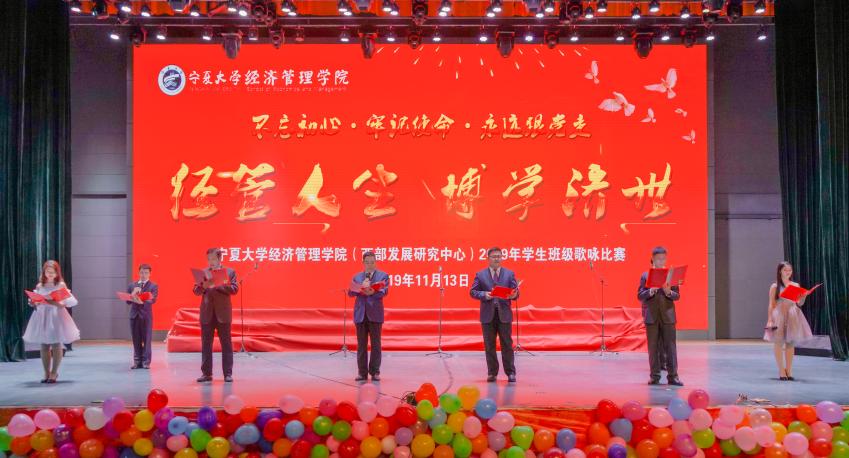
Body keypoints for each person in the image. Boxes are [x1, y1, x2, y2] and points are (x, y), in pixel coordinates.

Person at [23, 260, 80, 384]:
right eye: (47, 272)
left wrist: (52, 301)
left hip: (55, 316)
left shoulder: (60, 285)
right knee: (44, 345)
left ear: (57, 273)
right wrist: (33, 302)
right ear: (44, 272)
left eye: (52, 272)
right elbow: (36, 302)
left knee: (56, 344)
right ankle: (46, 372)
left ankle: (54, 372)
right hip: (42, 315)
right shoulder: (40, 286)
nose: (50, 274)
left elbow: (65, 304)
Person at [470, 247, 519, 383]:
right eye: (494, 256)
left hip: (504, 314)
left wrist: (514, 295)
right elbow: (473, 292)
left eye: (499, 256)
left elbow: (515, 292)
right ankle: (492, 373)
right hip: (488, 315)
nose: (497, 259)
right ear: (488, 258)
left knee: (507, 344)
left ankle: (511, 373)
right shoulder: (480, 275)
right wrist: (484, 294)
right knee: (489, 345)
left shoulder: (509, 274)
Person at [638, 246, 683, 386]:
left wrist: (669, 292)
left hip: (668, 316)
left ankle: (673, 377)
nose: (661, 261)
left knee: (671, 347)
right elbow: (640, 295)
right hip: (651, 316)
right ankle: (655, 376)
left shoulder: (671, 275)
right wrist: (650, 291)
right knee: (653, 348)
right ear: (653, 259)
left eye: (663, 259)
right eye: (658, 259)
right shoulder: (645, 275)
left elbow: (677, 296)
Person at [192, 247, 238, 383]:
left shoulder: (229, 272)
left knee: (226, 344)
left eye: (213, 259)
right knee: (206, 344)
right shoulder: (204, 272)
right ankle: (206, 373)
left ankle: (227, 374)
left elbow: (235, 289)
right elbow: (196, 291)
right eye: (208, 259)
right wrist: (203, 286)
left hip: (223, 313)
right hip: (207, 313)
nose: (210, 262)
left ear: (219, 258)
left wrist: (219, 285)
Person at [764, 261, 813, 381]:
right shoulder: (775, 286)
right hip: (779, 314)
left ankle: (789, 370)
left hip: (792, 314)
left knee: (790, 343)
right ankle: (781, 370)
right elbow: (771, 304)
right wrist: (770, 320)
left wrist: (804, 296)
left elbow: (799, 303)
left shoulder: (795, 285)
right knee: (778, 342)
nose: (788, 272)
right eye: (785, 270)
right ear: (780, 271)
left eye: (790, 270)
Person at [348, 251, 389, 382]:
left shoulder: (383, 276)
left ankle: (375, 372)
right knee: (361, 345)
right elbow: (350, 292)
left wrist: (372, 291)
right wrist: (360, 288)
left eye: (372, 262)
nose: (370, 265)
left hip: (375, 313)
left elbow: (384, 292)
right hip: (360, 314)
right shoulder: (357, 277)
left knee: (376, 344)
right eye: (367, 262)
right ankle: (362, 373)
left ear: (375, 262)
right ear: (363, 263)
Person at [125, 263, 158, 369]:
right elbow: (127, 301)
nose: (143, 275)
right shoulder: (132, 285)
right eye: (142, 272)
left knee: (147, 340)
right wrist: (133, 294)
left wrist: (142, 301)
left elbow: (153, 299)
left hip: (146, 316)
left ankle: (146, 362)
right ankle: (137, 361)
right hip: (134, 316)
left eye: (146, 273)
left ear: (150, 274)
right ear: (139, 273)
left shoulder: (153, 286)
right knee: (136, 339)